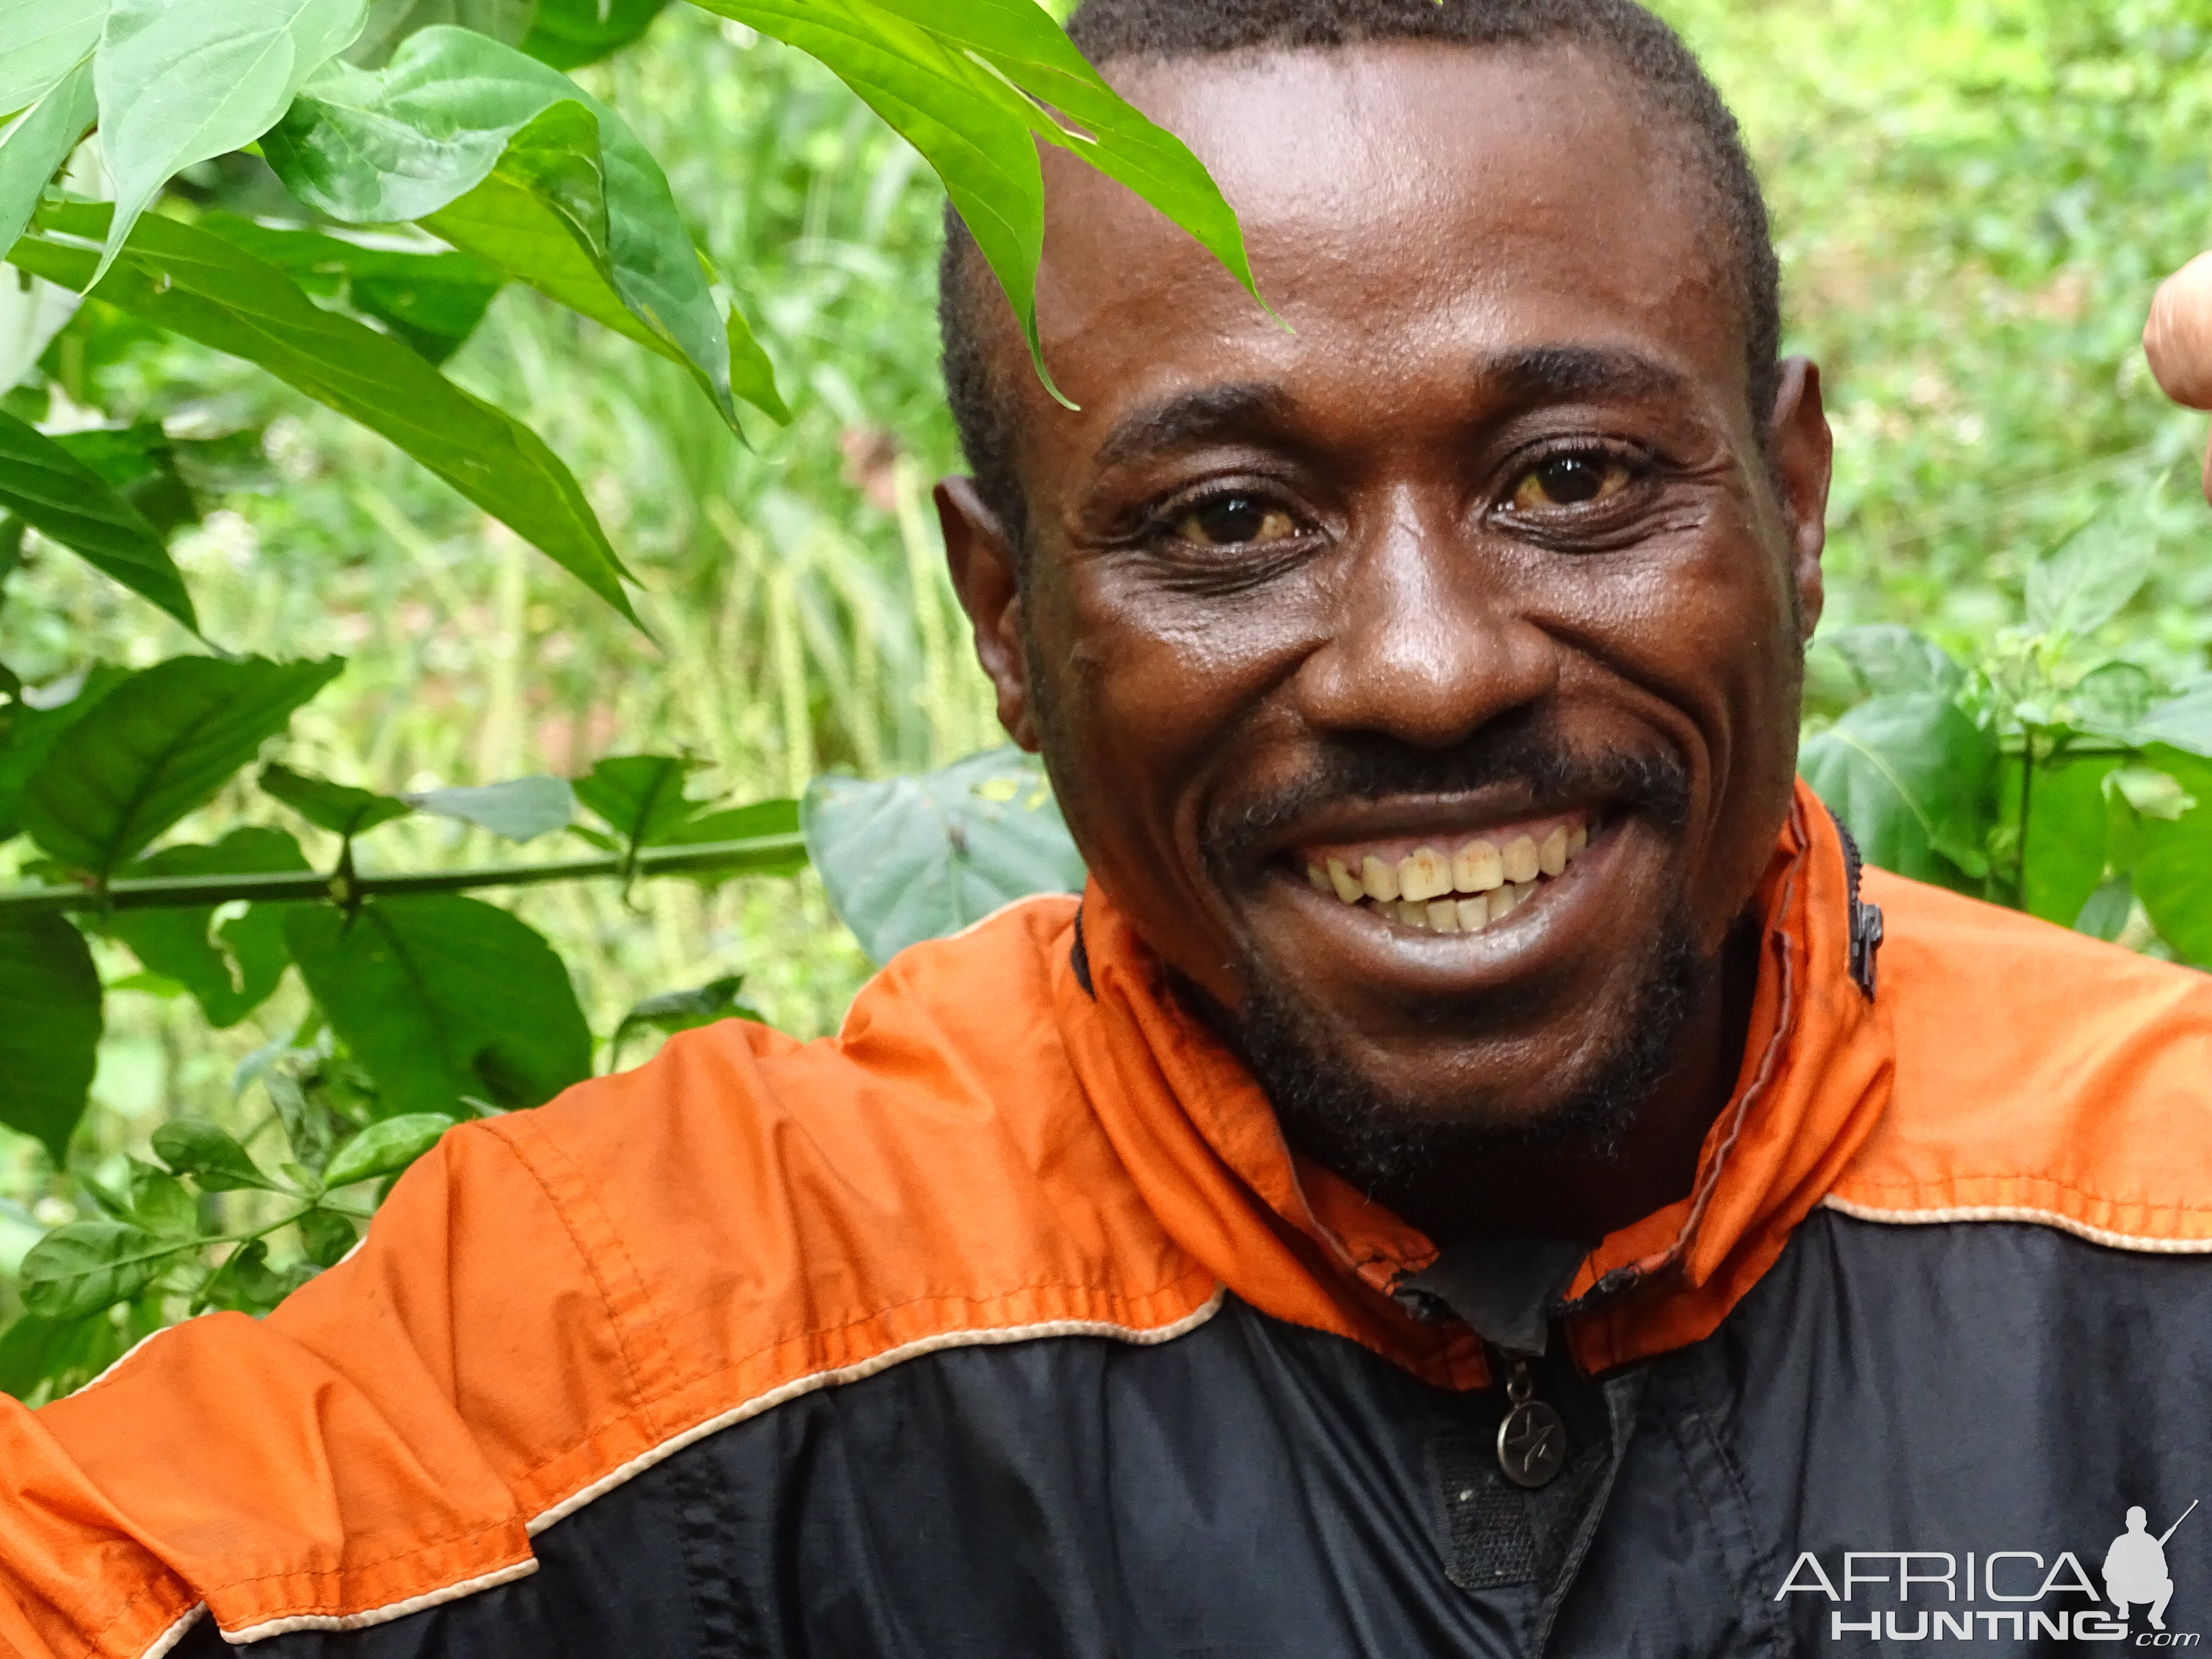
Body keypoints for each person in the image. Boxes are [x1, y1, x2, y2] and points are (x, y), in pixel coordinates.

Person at [7, 2, 2212, 1655]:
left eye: (1570, 480)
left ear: (1794, 504)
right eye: (1230, 521)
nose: (1427, 670)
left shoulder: (2159, 1199)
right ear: (1006, 614)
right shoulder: (691, 1304)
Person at [2106, 1507, 2177, 1631]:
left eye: (2139, 1522)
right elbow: (2107, 1571)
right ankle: (2123, 1607)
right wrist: (2124, 1575)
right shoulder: (2119, 1543)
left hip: (2147, 1591)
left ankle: (2155, 1616)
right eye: (2133, 1522)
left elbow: (2164, 1572)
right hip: (2124, 1591)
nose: (2136, 1525)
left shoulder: (2152, 1543)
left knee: (2168, 1585)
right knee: (2110, 1584)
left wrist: (2148, 1573)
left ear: (2145, 1523)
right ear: (2127, 1523)